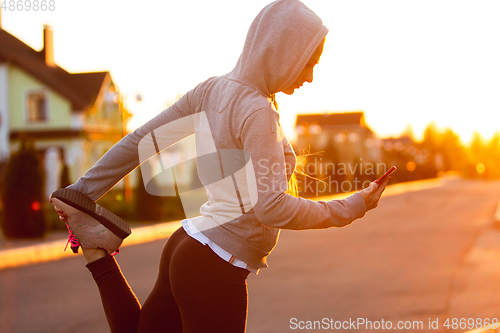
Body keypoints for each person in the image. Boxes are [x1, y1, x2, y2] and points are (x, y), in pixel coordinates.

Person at [49, 0, 390, 332]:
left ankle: (97, 254)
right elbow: (271, 208)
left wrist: (82, 191)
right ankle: (95, 248)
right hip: (215, 267)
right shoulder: (258, 111)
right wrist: (350, 207)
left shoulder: (212, 89)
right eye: (308, 63)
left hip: (186, 245)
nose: (311, 77)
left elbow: (143, 140)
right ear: (281, 51)